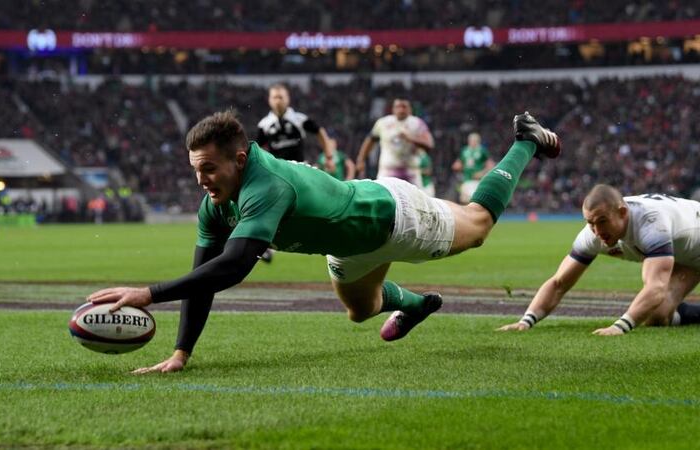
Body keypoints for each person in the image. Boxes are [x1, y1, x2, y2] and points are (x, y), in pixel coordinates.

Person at [88, 110, 561, 374]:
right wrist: (180, 354)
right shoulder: (217, 201)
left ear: (239, 157)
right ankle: (415, 305)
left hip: (390, 217)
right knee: (361, 309)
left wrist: (149, 294)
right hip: (347, 243)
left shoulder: (266, 185)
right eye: (195, 170)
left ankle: (525, 139)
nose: (201, 180)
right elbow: (204, 278)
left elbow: (233, 267)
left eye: (208, 169)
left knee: (477, 224)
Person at [497, 185, 700, 336]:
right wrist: (526, 321)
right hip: (686, 253)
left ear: (622, 213)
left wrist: (619, 327)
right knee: (656, 315)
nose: (597, 231)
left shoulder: (652, 224)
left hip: (693, 243)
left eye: (603, 221)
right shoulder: (592, 233)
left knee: (653, 297)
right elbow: (559, 283)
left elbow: (655, 287)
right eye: (590, 223)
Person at [256, 83, 335, 263]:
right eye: (274, 97)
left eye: (281, 97)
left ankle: (327, 236)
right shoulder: (264, 124)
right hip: (277, 174)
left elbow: (319, 131)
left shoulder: (299, 119)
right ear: (269, 100)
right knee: (271, 209)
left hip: (299, 170)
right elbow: (258, 150)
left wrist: (329, 155)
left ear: (288, 98)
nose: (278, 100)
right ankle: (267, 246)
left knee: (313, 201)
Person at [355, 98, 433, 188]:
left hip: (410, 173)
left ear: (410, 109)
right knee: (384, 199)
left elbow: (429, 144)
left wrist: (411, 138)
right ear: (393, 109)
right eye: (398, 106)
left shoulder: (417, 123)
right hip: (387, 171)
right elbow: (370, 140)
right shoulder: (383, 122)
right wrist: (361, 159)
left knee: (414, 201)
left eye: (404, 107)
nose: (401, 110)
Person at [452, 132, 495, 204]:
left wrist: (482, 173)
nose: (472, 142)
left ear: (478, 141)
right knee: (464, 201)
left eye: (474, 140)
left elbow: (491, 165)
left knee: (475, 202)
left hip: (478, 181)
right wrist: (457, 166)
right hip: (467, 179)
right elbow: (458, 163)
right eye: (471, 140)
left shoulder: (482, 151)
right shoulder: (464, 150)